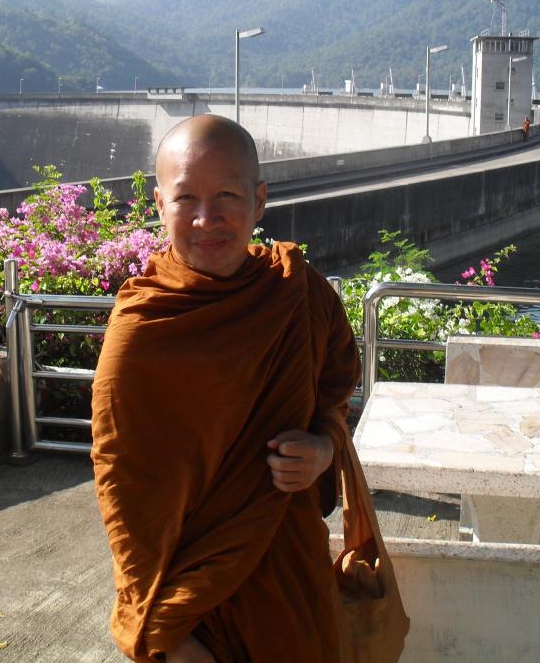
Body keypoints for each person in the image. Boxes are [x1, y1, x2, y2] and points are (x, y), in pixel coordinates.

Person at [91, 114, 361, 662]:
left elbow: (334, 390)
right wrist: (165, 632)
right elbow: (123, 487)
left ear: (259, 201)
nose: (206, 218)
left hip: (290, 578)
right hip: (195, 606)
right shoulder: (145, 326)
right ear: (158, 203)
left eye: (228, 195)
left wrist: (323, 448)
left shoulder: (296, 289)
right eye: (186, 197)